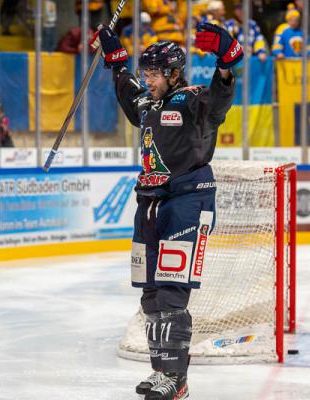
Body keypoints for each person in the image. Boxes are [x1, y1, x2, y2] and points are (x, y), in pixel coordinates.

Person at [96, 20, 242, 399]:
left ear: (175, 73)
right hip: (148, 204)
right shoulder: (146, 101)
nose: (149, 80)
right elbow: (127, 90)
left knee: (172, 293)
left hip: (187, 201)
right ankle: (162, 370)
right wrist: (116, 59)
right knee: (150, 294)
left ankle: (177, 381)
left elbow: (221, 94)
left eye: (155, 74)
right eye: (146, 73)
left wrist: (225, 60)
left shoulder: (194, 101)